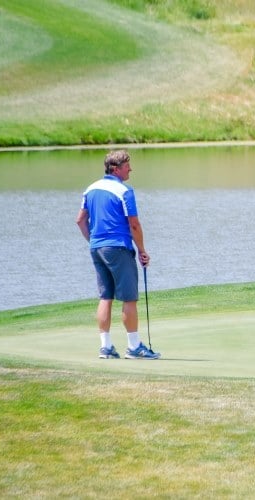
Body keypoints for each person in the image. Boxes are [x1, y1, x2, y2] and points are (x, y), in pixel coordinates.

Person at [76, 150, 160, 359]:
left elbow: (80, 220)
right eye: (126, 166)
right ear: (116, 169)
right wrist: (142, 250)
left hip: (97, 248)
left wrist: (94, 241)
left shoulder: (91, 189)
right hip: (119, 248)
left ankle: (106, 347)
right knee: (129, 298)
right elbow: (134, 224)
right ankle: (134, 347)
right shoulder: (124, 191)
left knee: (106, 296)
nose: (130, 169)